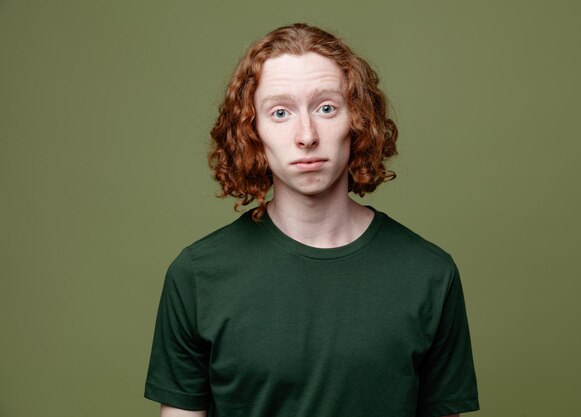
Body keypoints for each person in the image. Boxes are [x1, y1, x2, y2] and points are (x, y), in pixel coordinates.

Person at [144, 23, 479, 417]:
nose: (306, 135)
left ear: (357, 121)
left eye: (326, 108)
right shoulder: (198, 275)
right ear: (253, 131)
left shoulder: (428, 274)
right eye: (280, 112)